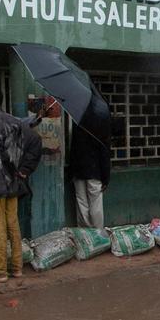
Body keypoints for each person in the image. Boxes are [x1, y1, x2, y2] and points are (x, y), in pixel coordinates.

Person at [0, 86, 42, 282]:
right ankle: (17, 268)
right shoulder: (14, 121)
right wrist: (25, 170)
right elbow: (35, 141)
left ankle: (1, 272)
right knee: (13, 224)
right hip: (14, 180)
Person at [68, 96, 111, 229]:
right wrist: (106, 178)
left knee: (82, 203)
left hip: (78, 171)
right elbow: (104, 155)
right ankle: (98, 233)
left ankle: (85, 234)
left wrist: (71, 172)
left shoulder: (77, 125)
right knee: (95, 204)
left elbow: (73, 151)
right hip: (94, 172)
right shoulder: (100, 127)